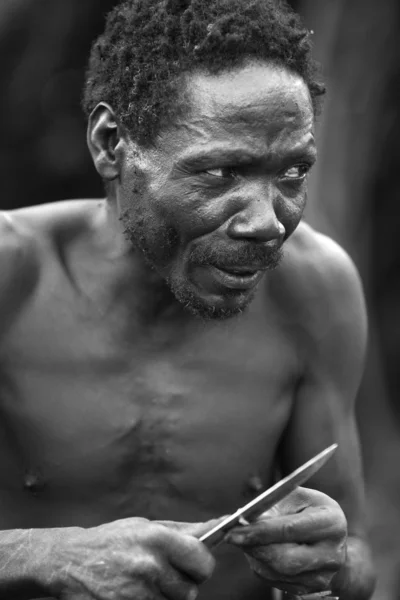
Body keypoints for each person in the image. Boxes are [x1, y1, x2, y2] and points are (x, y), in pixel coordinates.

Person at [0, 0, 376, 598]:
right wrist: (40, 553)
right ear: (111, 143)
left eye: (294, 172)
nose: (269, 222)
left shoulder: (316, 290)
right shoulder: (11, 278)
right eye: (223, 173)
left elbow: (354, 559)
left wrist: (334, 562)